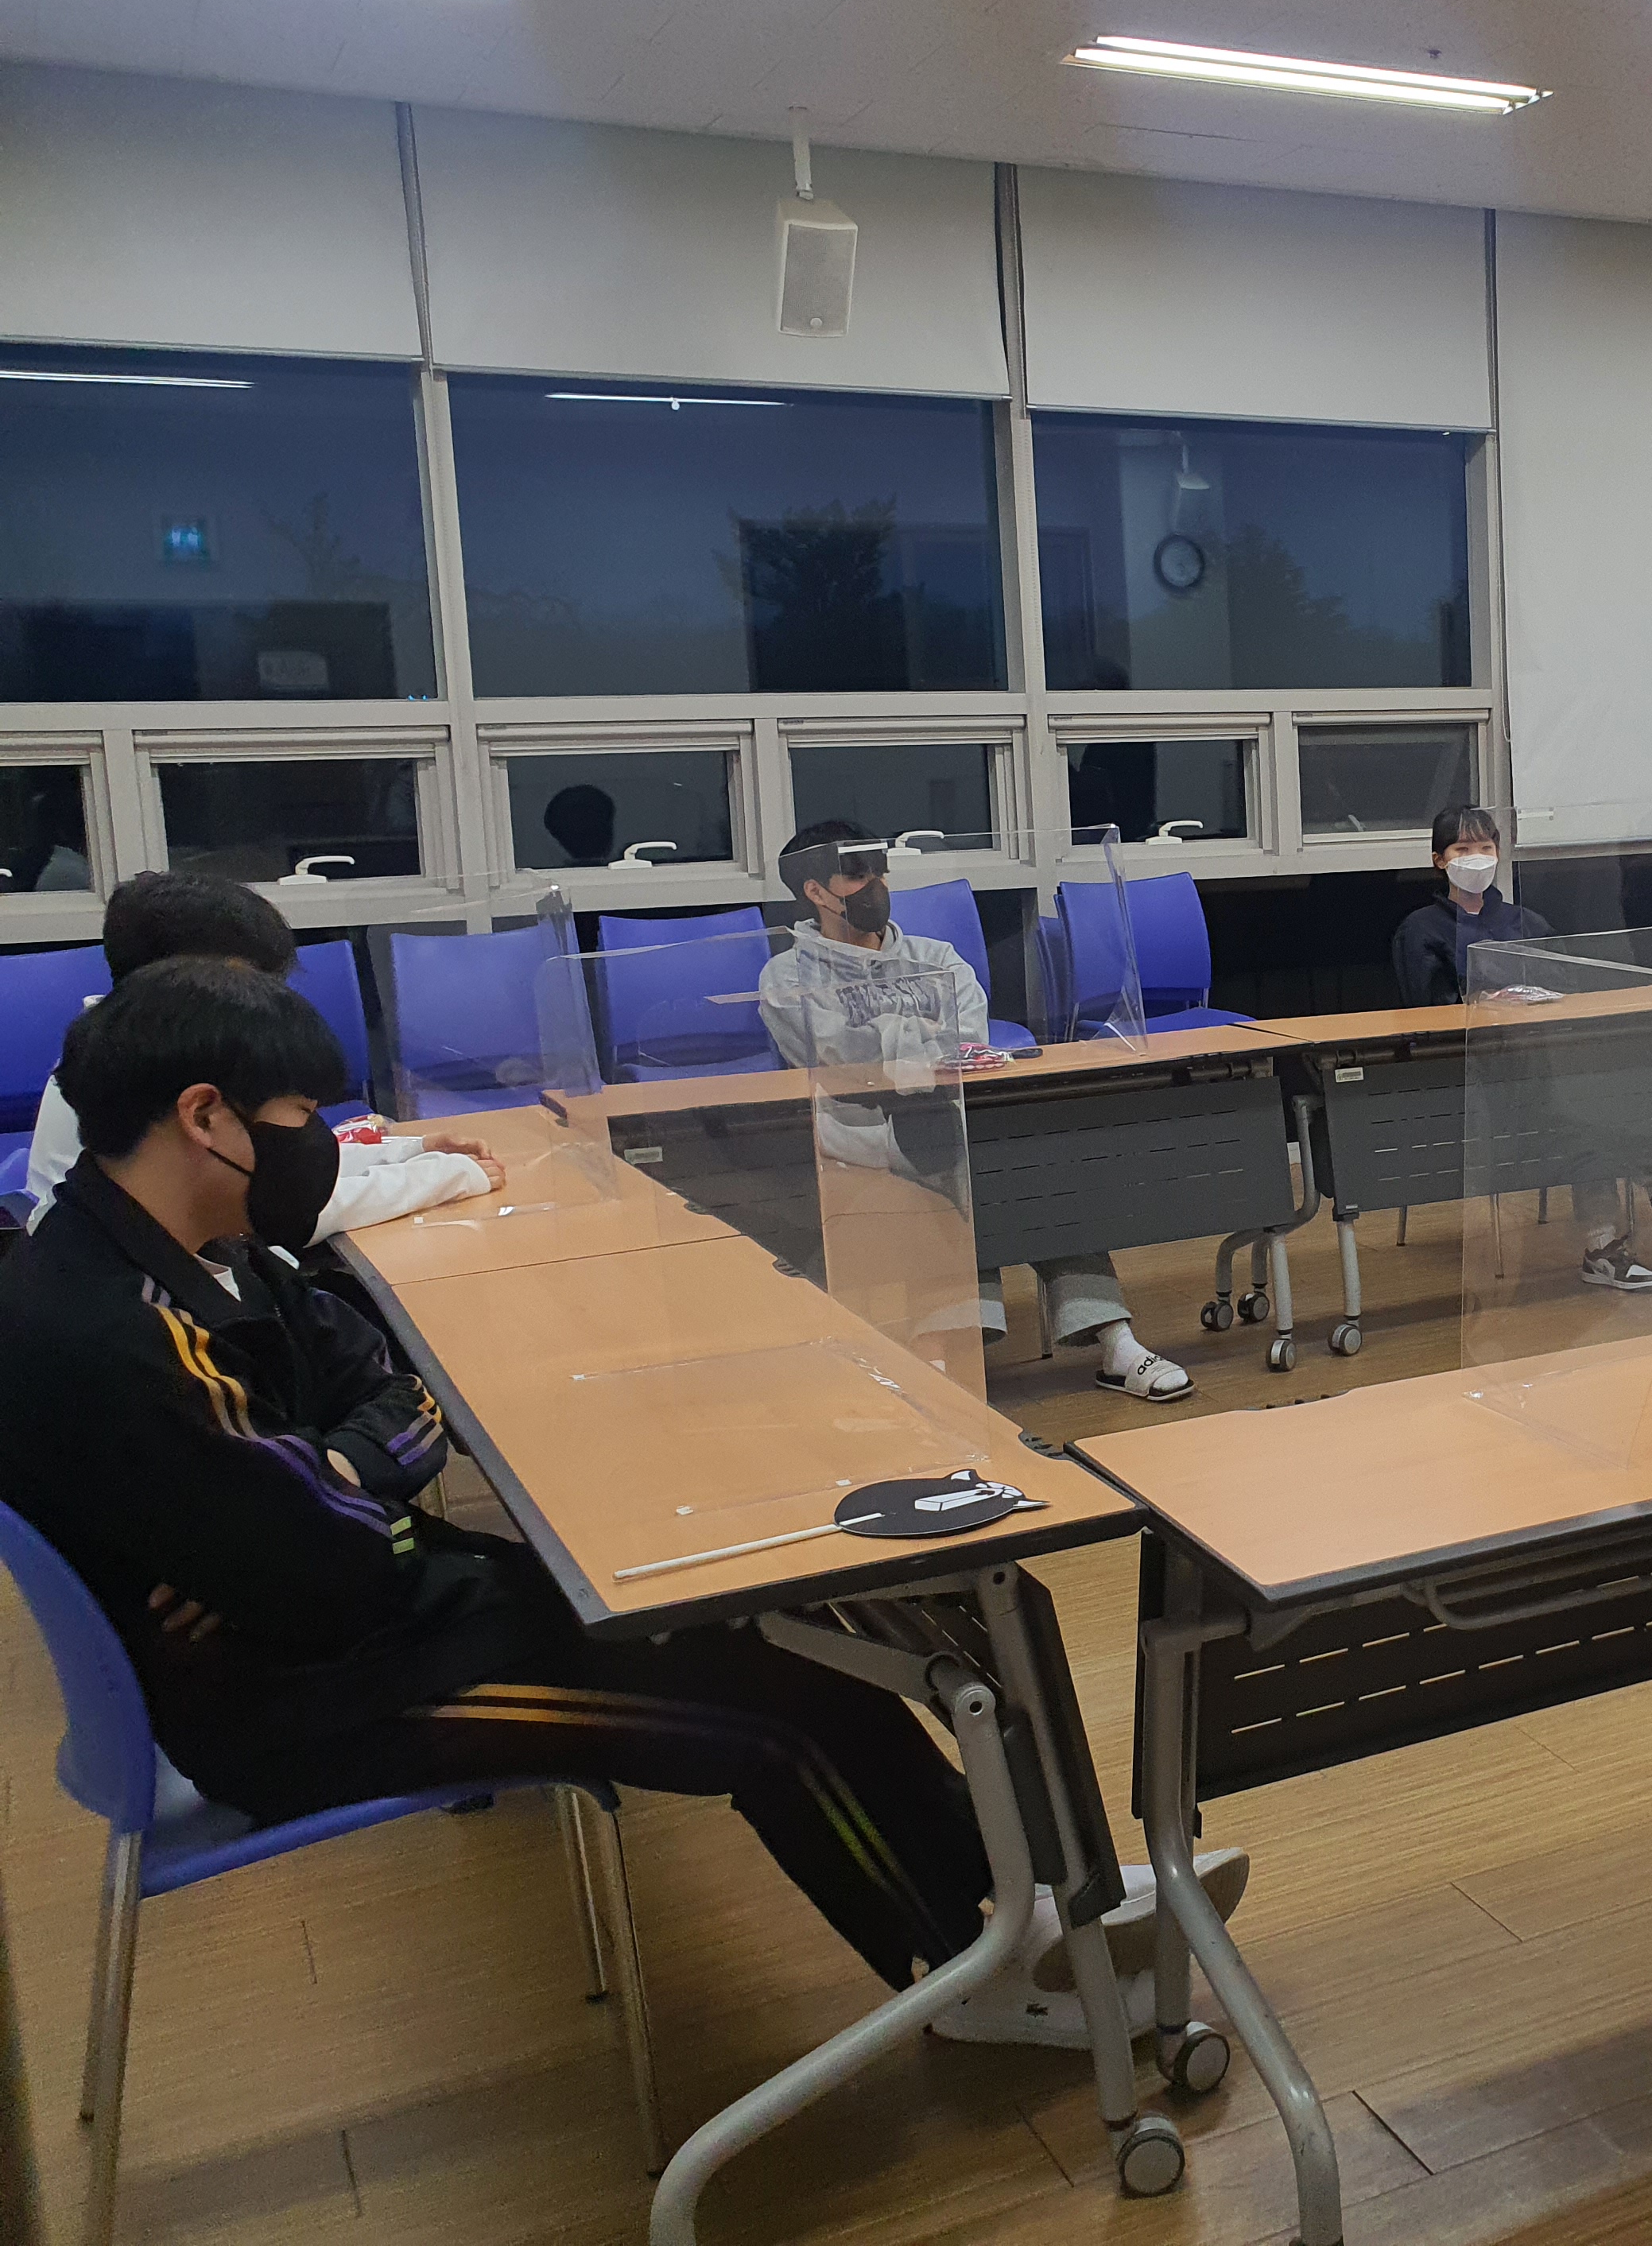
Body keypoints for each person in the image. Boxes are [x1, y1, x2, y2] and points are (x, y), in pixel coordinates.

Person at [0, 956, 1239, 2051]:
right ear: (204, 1117)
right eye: (298, 1119)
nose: (317, 1143)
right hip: (310, 1700)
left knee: (774, 1626)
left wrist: (340, 1469)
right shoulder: (115, 1335)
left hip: (383, 1616)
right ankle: (968, 1969)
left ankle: (1023, 1904)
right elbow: (332, 1564)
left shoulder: (191, 1251)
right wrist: (350, 1481)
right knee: (777, 1714)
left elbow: (379, 1384)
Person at [759, 821, 1191, 1400]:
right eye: (858, 875)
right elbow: (840, 1057)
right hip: (861, 1136)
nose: (877, 885)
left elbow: (967, 1041)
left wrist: (894, 1043)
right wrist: (919, 1038)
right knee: (978, 1172)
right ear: (815, 891)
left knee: (1023, 1166)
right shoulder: (788, 976)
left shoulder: (936, 957)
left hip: (950, 1120)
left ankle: (1041, 1346)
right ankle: (1010, 1348)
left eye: (881, 870)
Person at [21, 871, 503, 1239]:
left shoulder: (131, 1044)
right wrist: (440, 1177)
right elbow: (287, 1211)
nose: (267, 1004)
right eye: (252, 985)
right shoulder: (133, 1072)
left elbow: (272, 1165)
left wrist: (407, 1152)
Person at [1389, 805, 1652, 1290]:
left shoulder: (1526, 921)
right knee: (1587, 1128)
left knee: (1593, 1111)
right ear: (1440, 860)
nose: (1476, 858)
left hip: (1546, 1064)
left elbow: (1566, 985)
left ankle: (1613, 1242)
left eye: (1485, 847)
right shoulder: (1420, 930)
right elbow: (1427, 1012)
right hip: (1478, 1081)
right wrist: (1480, 1003)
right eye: (1463, 849)